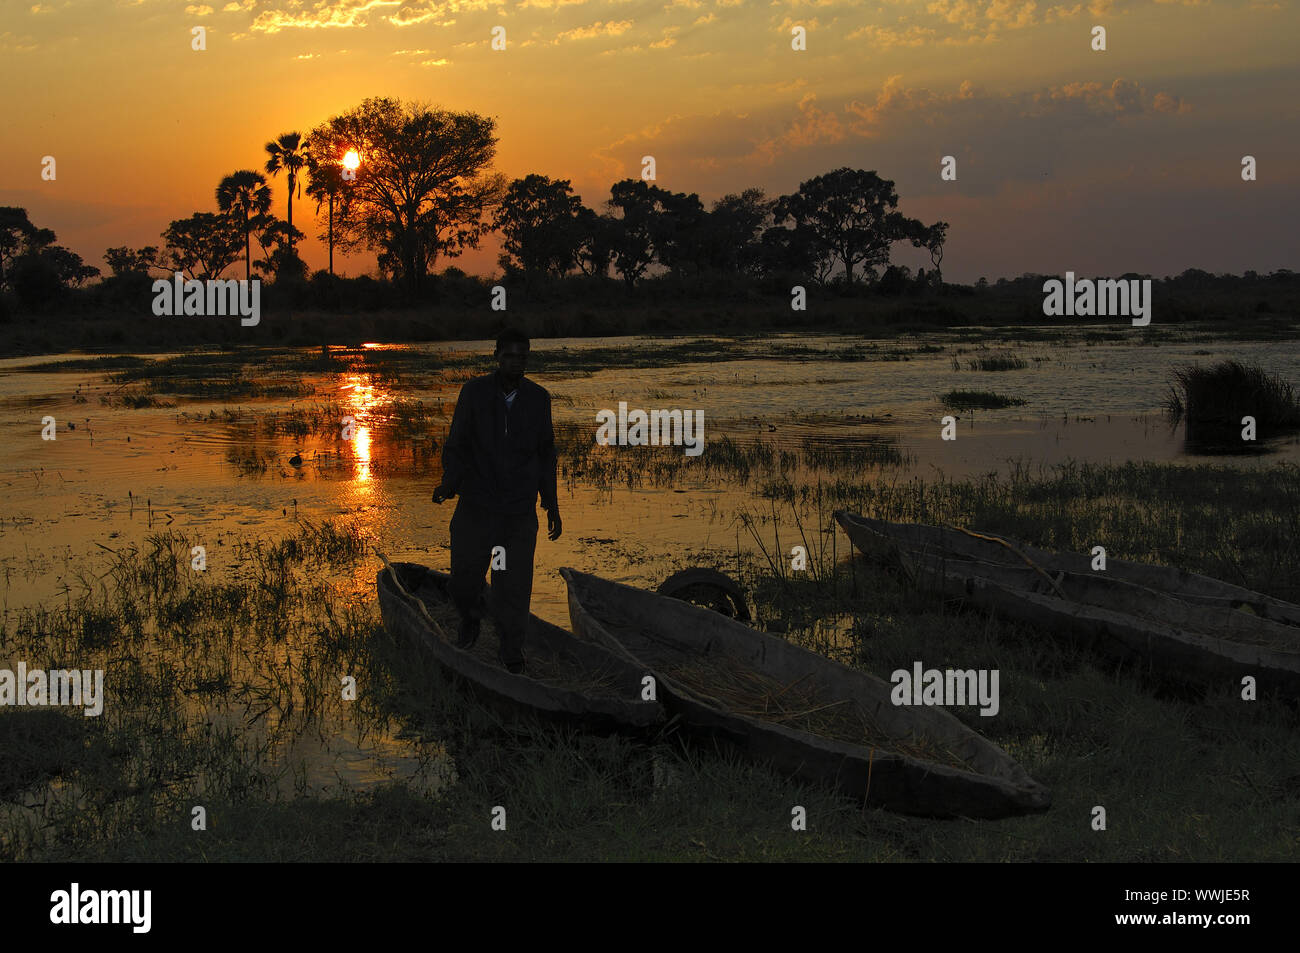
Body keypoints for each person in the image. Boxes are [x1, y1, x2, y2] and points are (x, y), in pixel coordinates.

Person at [431, 328, 561, 675]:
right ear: (496, 357)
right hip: (476, 505)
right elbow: (457, 444)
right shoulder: (473, 393)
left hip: (517, 511)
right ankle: (471, 619)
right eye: (510, 355)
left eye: (523, 356)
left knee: (513, 585)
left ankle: (510, 650)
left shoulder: (538, 398)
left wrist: (551, 504)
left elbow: (546, 454)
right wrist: (449, 483)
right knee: (463, 580)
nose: (516, 362)